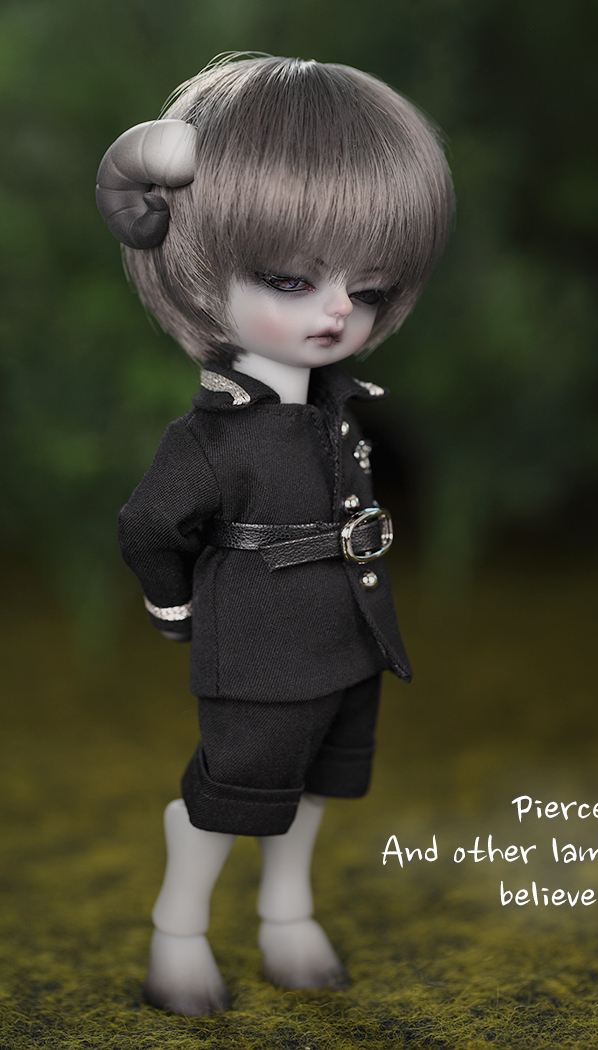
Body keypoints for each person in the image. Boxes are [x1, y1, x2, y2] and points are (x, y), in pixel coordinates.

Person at [96, 53, 454, 1015]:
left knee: (321, 783)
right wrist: (176, 609)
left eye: (368, 290)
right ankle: (179, 929)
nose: (338, 310)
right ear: (194, 266)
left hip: (349, 639)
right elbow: (148, 524)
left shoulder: (339, 407)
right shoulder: (210, 442)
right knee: (233, 790)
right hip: (257, 651)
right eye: (290, 280)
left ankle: (286, 913)